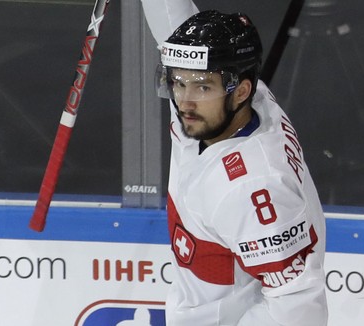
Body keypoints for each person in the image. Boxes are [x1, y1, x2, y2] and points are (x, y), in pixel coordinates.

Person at [140, 1, 328, 325]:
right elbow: (174, 21)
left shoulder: (251, 186)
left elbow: (298, 311)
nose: (184, 101)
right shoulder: (221, 107)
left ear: (241, 92)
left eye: (201, 86)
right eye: (178, 82)